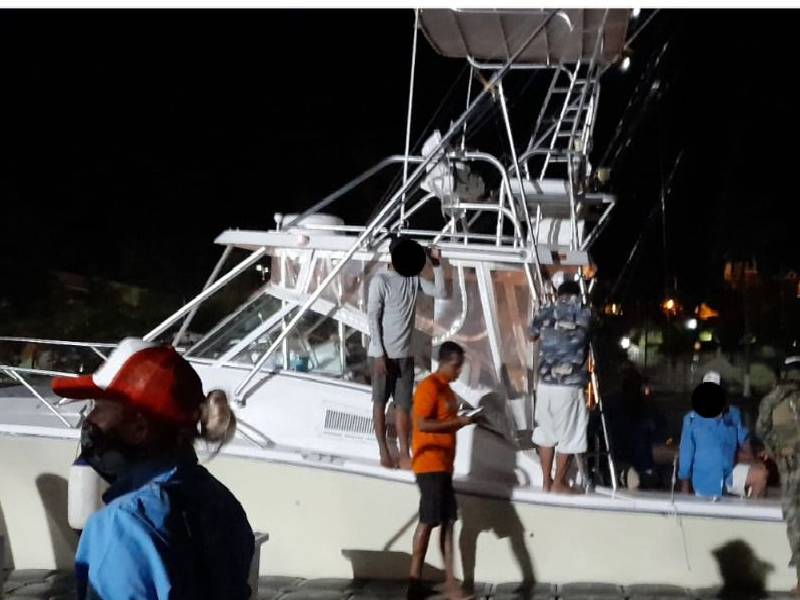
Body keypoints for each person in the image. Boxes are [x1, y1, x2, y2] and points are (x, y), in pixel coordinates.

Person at [51, 337, 254, 600]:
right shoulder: (222, 502)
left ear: (139, 428)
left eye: (98, 408)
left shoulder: (120, 524)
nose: (89, 421)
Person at [368, 236, 446, 470]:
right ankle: (383, 451)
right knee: (379, 403)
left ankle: (404, 453)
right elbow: (373, 318)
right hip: (382, 355)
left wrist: (437, 265)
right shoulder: (380, 280)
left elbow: (441, 292)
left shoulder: (413, 280)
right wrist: (380, 354)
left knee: (403, 406)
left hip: (405, 355)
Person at [409, 341, 474, 599]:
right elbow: (423, 423)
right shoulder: (429, 387)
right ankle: (414, 582)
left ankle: (449, 580)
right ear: (445, 362)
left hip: (445, 465)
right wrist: (458, 421)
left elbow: (446, 423)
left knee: (447, 520)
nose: (458, 372)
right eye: (456, 367)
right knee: (428, 520)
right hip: (429, 465)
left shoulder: (447, 391)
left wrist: (464, 421)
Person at [529, 279, 592, 493]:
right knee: (569, 435)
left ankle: (546, 482)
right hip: (569, 385)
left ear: (559, 294)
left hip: (545, 384)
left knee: (546, 433)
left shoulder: (546, 311)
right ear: (577, 295)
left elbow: (531, 335)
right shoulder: (584, 313)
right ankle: (559, 483)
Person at [678, 372, 767, 498]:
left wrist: (753, 459)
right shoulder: (691, 419)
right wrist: (685, 486)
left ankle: (752, 514)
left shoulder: (734, 414)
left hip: (729, 475)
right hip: (705, 482)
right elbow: (686, 454)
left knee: (760, 475)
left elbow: (744, 440)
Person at [756, 356, 800, 589]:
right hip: (790, 465)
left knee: (795, 520)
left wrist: (777, 449)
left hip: (791, 467)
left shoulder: (774, 398)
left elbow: (762, 429)